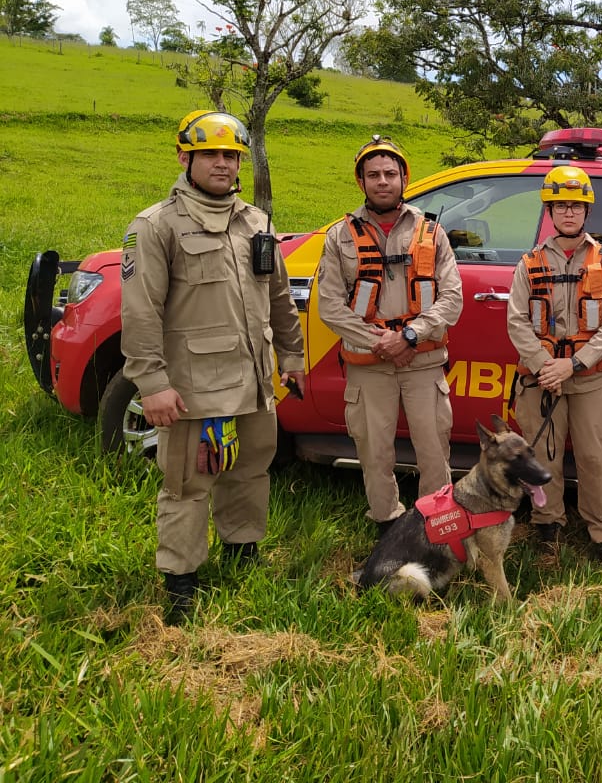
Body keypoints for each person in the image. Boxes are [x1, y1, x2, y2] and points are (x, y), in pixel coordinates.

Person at [121, 110, 305, 622]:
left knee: (249, 471)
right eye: (211, 154)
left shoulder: (256, 222)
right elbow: (140, 313)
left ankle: (242, 552)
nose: (223, 164)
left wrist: (291, 357)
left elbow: (278, 298)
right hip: (193, 387)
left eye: (232, 155)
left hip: (253, 381)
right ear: (185, 157)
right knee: (187, 484)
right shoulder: (156, 226)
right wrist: (152, 384)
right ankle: (181, 581)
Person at [316, 135, 463, 534]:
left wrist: (410, 336)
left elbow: (452, 299)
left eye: (390, 173)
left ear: (404, 178)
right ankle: (386, 525)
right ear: (361, 181)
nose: (383, 181)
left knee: (434, 450)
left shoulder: (432, 232)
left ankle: (435, 528)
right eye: (373, 174)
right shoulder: (339, 236)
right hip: (369, 365)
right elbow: (329, 306)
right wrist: (378, 341)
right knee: (373, 451)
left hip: (423, 362)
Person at [508, 166, 602, 566]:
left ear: (587, 210)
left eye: (576, 206)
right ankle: (547, 528)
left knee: (596, 460)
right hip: (542, 381)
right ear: (550, 211)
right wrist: (547, 366)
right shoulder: (528, 264)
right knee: (543, 457)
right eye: (560, 206)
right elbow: (517, 322)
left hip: (590, 379)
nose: (569, 213)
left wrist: (572, 365)